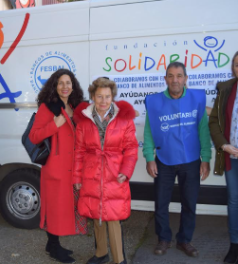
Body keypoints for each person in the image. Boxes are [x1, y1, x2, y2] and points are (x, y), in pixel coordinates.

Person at [143, 62, 211, 257]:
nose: (175, 80)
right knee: (161, 203)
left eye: (179, 76)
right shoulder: (155, 103)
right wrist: (149, 157)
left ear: (185, 78)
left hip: (191, 161)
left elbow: (203, 132)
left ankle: (184, 240)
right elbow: (148, 132)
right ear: (165, 79)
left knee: (189, 203)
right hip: (164, 160)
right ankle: (163, 238)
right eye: (171, 76)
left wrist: (205, 158)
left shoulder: (196, 99)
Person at [73, 77, 138, 264]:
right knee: (96, 215)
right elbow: (79, 151)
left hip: (114, 173)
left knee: (113, 218)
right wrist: (77, 177)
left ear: (113, 97)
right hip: (91, 174)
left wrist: (126, 171)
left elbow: (132, 148)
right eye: (99, 96)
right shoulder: (84, 120)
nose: (103, 101)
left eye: (107, 96)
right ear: (92, 96)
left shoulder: (124, 119)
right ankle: (101, 254)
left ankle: (119, 259)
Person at [29, 69, 86, 264]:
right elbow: (34, 136)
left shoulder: (74, 107)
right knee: (56, 209)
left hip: (72, 167)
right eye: (60, 83)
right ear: (55, 86)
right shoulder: (48, 108)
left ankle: (53, 245)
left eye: (68, 82)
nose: (65, 87)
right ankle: (53, 247)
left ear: (73, 85)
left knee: (66, 208)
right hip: (56, 168)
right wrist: (54, 124)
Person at [209, 51, 238, 264]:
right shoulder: (226, 89)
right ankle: (235, 246)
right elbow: (215, 121)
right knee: (234, 201)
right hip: (232, 157)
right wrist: (224, 145)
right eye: (237, 65)